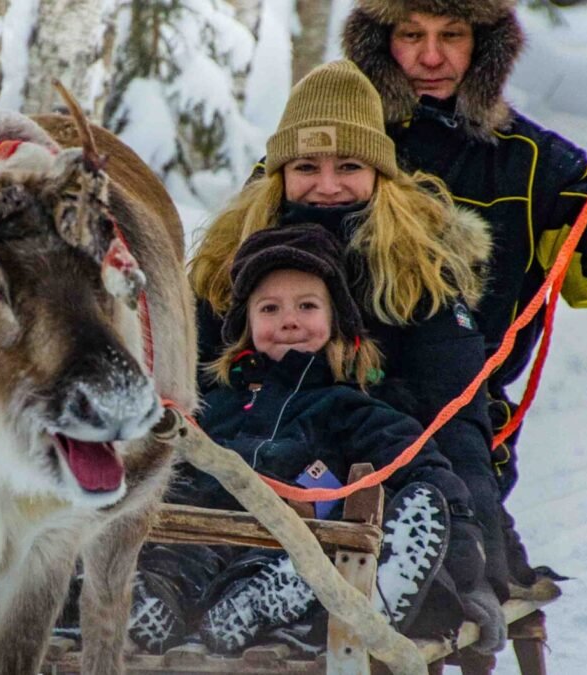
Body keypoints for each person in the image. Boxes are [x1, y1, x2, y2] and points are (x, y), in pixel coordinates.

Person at [341, 0, 587, 585]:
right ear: (379, 42)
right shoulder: (326, 149)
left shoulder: (531, 163)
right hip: (316, 409)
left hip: (461, 431)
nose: (430, 56)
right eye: (410, 34)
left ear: (485, 45)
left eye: (452, 34)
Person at [183, 59, 509, 652]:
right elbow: (185, 398)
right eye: (306, 166)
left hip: (368, 488)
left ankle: (377, 588)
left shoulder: (420, 273)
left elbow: (455, 426)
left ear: (379, 173)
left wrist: (476, 562)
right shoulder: (225, 264)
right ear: (279, 173)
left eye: (349, 167)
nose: (327, 185)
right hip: (240, 491)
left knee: (390, 518)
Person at [143, 223, 496, 656]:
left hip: (294, 545)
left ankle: (275, 602)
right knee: (171, 562)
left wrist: (461, 541)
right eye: (269, 309)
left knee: (294, 564)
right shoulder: (208, 409)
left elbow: (419, 463)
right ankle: (148, 602)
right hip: (199, 537)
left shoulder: (348, 407)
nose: (288, 320)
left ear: (336, 322)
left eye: (307, 306)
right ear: (246, 326)